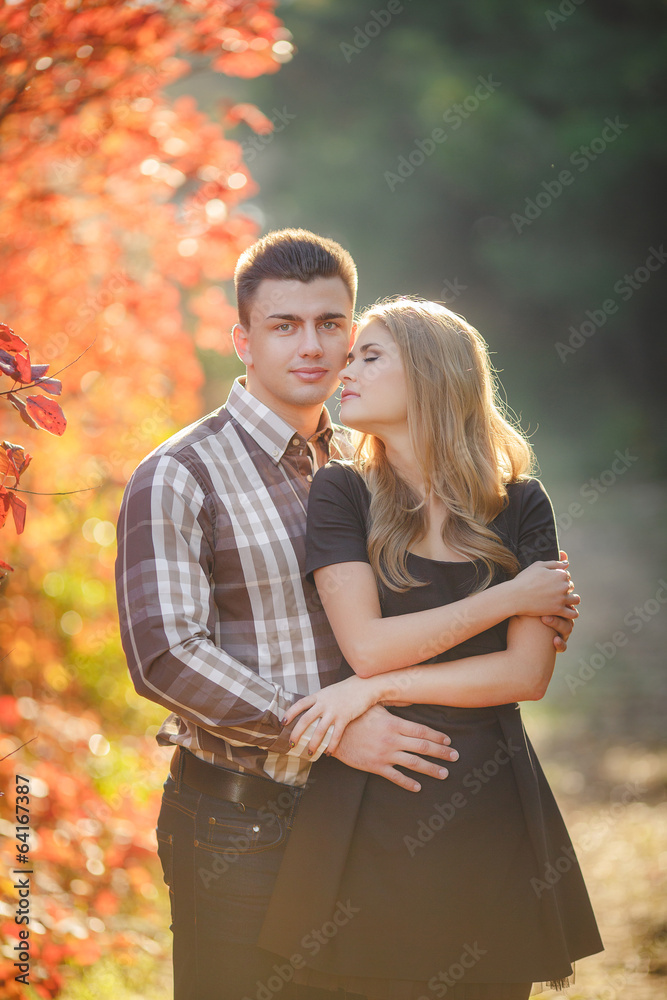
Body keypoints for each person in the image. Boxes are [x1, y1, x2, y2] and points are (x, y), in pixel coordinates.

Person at [115, 230, 579, 1000]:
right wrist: (325, 723)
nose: (315, 347)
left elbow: (468, 613)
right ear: (242, 340)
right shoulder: (180, 472)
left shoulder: (364, 474)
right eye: (283, 326)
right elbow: (166, 656)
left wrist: (522, 602)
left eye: (333, 325)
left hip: (364, 819)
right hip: (242, 820)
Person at [274, 297, 603, 1000]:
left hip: (490, 811)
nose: (342, 366)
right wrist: (509, 599)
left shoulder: (519, 503)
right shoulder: (341, 491)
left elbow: (525, 673)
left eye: (368, 354)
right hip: (366, 801)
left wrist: (379, 689)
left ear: (429, 373)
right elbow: (366, 646)